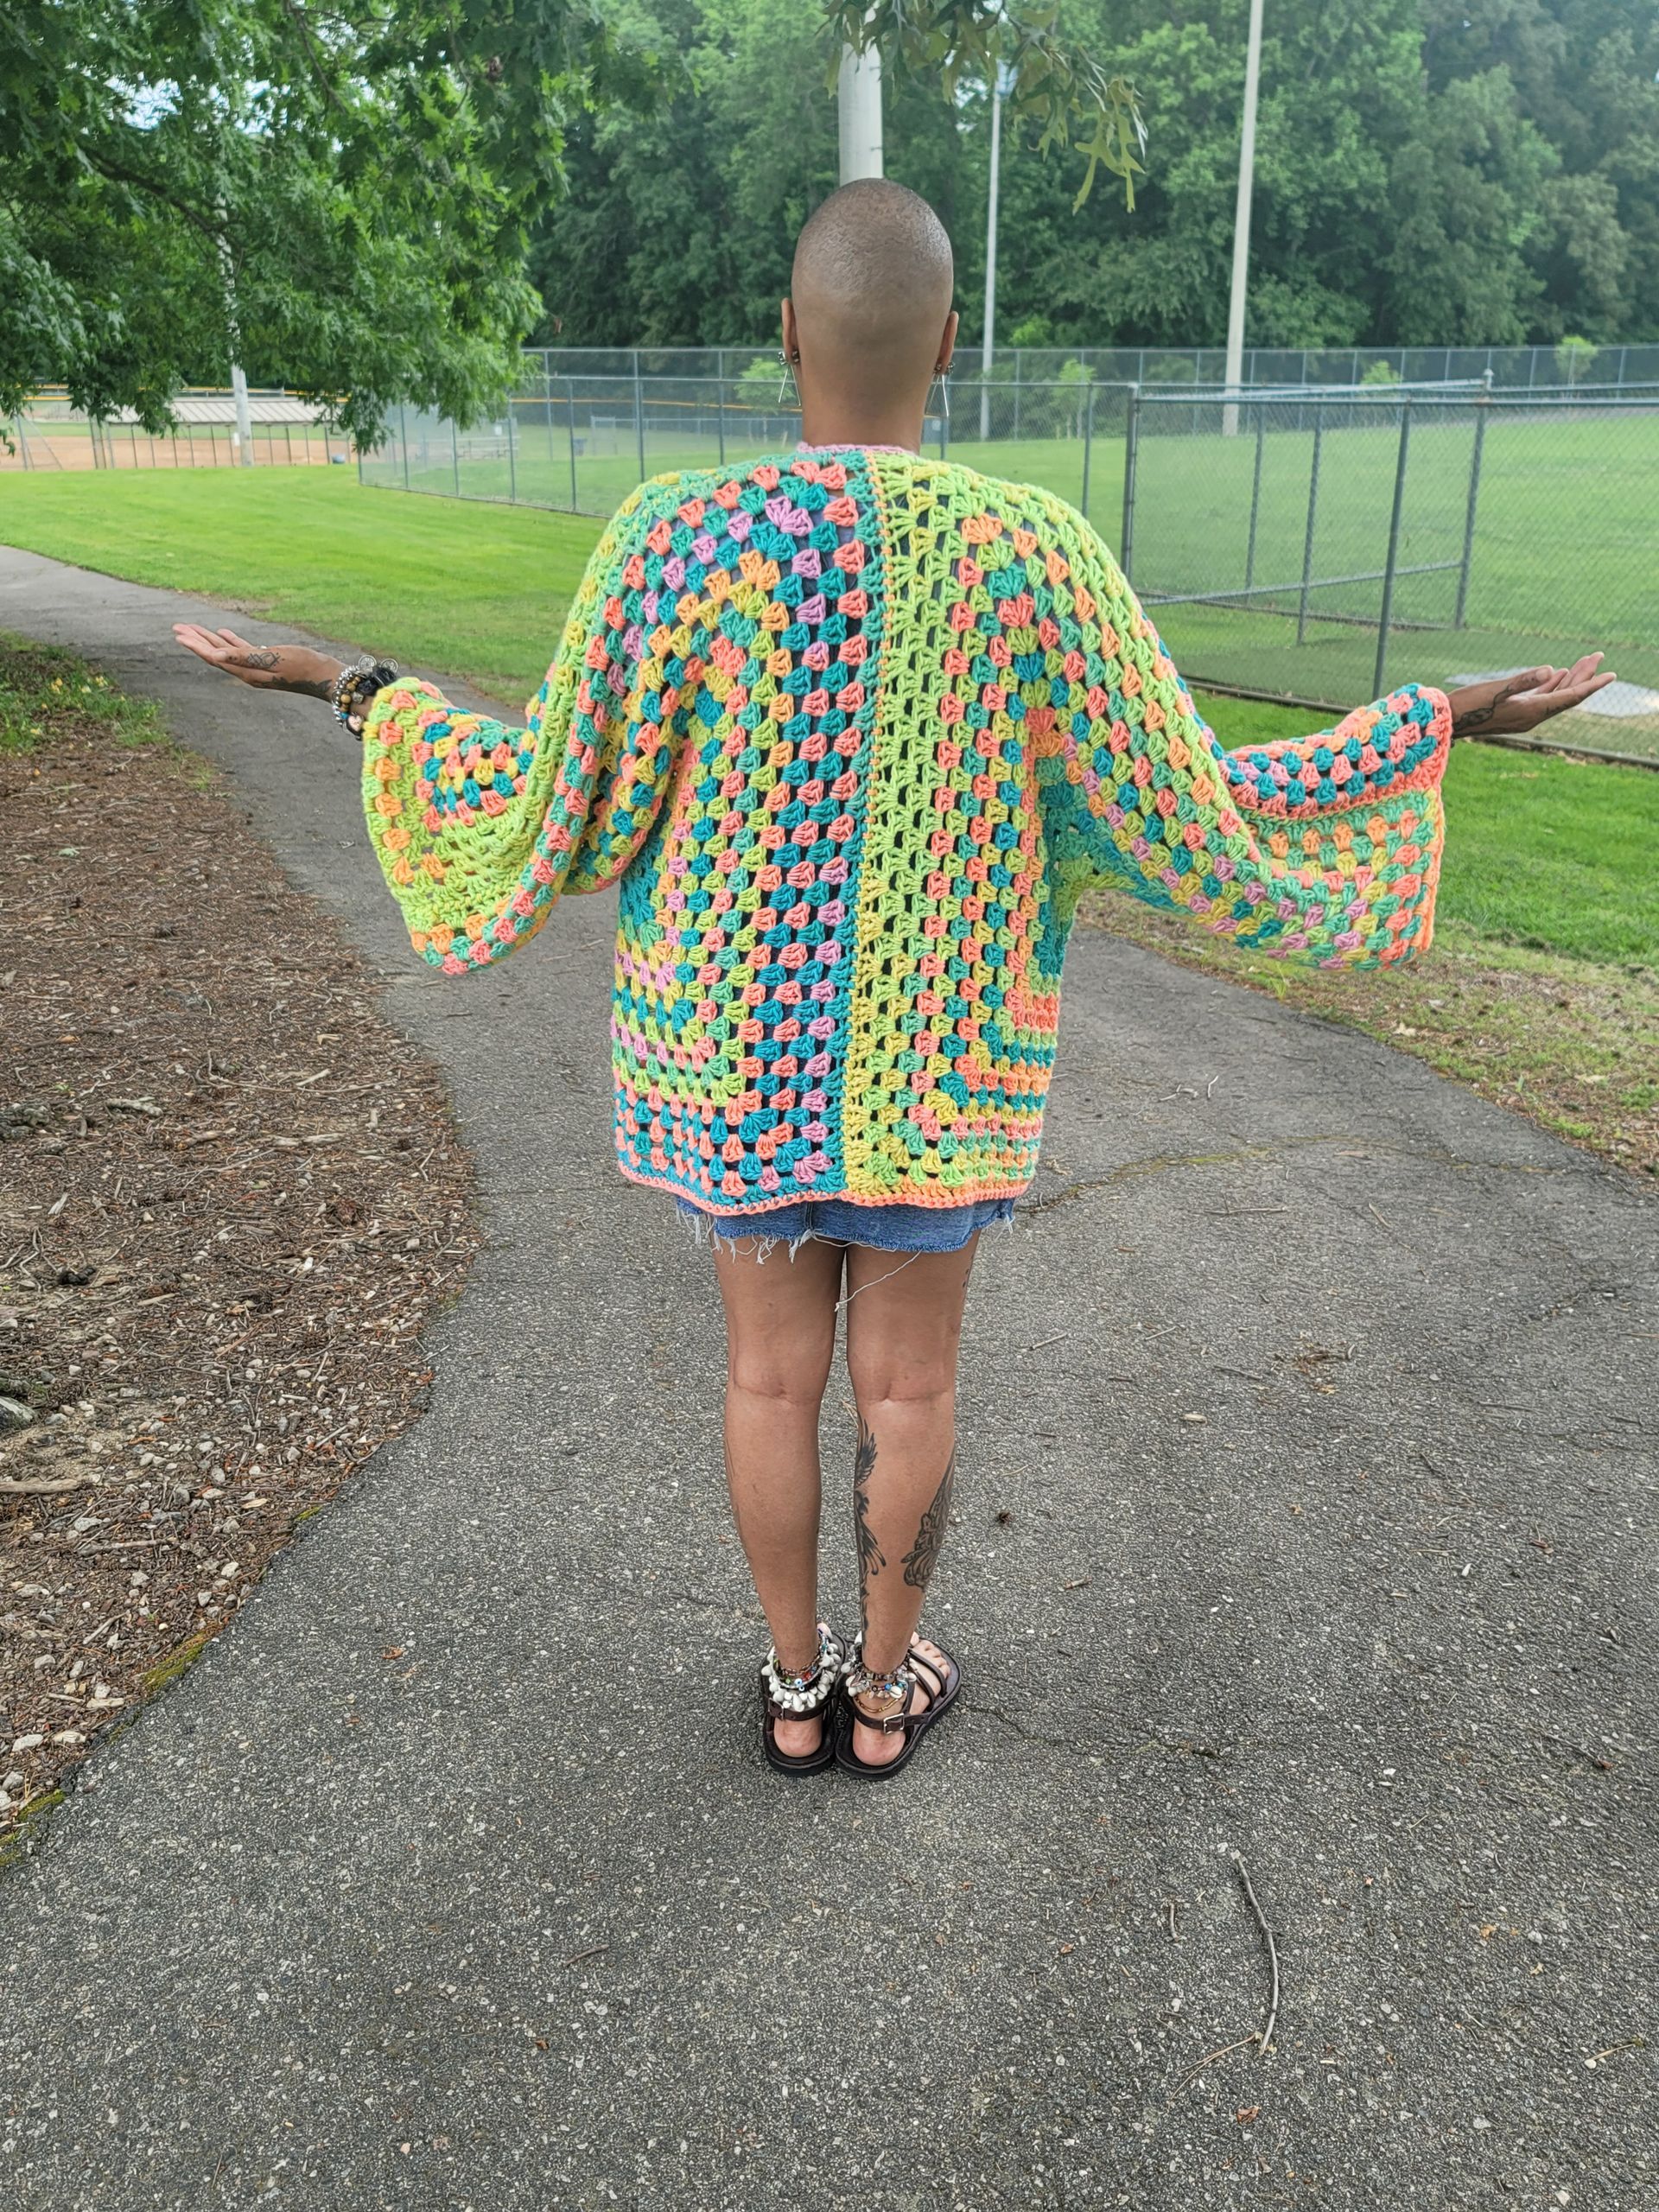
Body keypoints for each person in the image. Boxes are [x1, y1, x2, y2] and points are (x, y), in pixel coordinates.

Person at [175, 180, 1613, 1783]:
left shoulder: (682, 543)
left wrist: (347, 682)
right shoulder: (1034, 556)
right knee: (909, 1385)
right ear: (949, 344)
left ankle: (791, 1692)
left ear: (785, 336)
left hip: (733, 1070)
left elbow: (548, 805)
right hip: (942, 1070)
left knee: (765, 1379)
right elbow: (1197, 802)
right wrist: (1437, 722)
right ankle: (881, 1692)